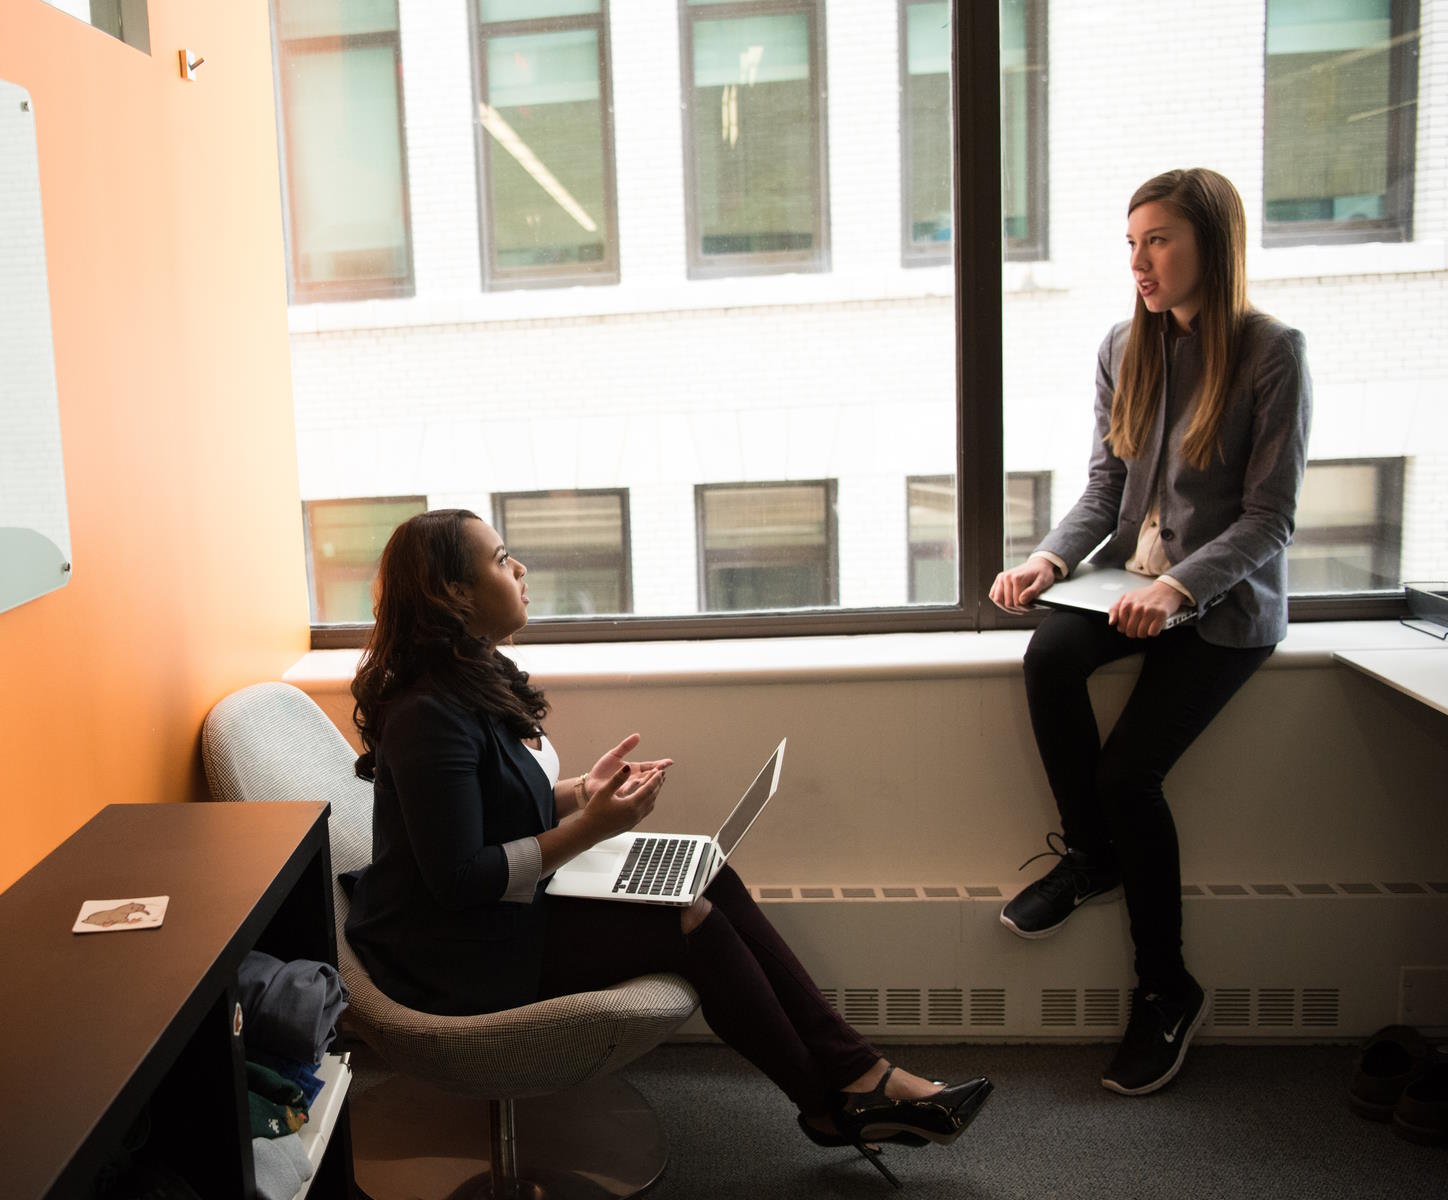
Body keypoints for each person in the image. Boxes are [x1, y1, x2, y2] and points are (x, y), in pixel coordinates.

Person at [344, 508, 992, 1180]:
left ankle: (860, 1075)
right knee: (694, 925)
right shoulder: (428, 714)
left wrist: (579, 792)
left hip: (500, 913)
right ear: (453, 593)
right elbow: (458, 878)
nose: (521, 569)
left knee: (709, 876)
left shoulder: (472, 676)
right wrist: (590, 828)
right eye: (502, 558)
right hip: (451, 953)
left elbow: (491, 807)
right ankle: (835, 1104)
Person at [989, 168, 1312, 1096]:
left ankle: (1167, 991)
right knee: (1048, 651)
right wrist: (1049, 562)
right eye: (1131, 243)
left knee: (1132, 775)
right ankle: (1093, 856)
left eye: (1159, 240)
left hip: (1224, 612)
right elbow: (1105, 489)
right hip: (1127, 588)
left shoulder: (1272, 351)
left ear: (1211, 241)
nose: (1141, 261)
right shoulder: (1121, 347)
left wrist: (1177, 589)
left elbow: (1270, 519)